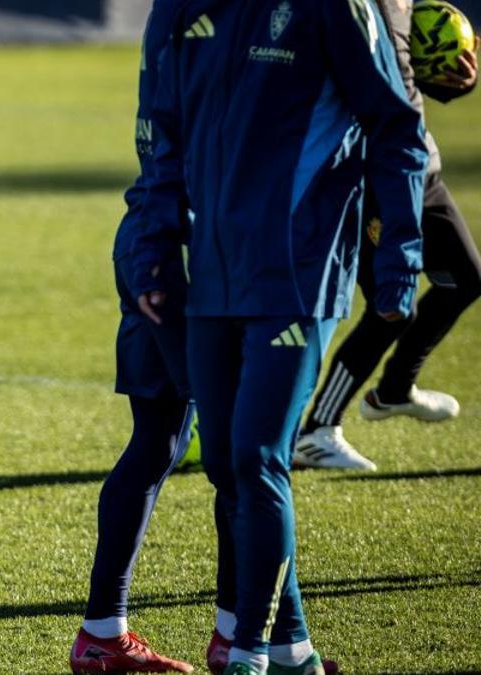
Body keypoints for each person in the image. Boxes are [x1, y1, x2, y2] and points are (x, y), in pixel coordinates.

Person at [132, 1, 427, 673]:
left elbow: (397, 126)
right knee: (223, 466)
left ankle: (250, 653)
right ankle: (294, 650)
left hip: (300, 269)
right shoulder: (184, 7)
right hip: (213, 275)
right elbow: (163, 132)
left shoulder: (335, 6)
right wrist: (153, 250)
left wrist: (399, 261)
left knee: (257, 457)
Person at [68, 2, 197, 673]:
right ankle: (265, 643)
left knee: (158, 443)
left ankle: (103, 631)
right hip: (186, 246)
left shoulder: (172, 11)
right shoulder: (217, 17)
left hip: (150, 233)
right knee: (246, 457)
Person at [295, 3, 479, 471]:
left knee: (465, 278)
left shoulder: (405, 4)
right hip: (376, 173)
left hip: (420, 166)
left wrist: (454, 81)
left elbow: (404, 75)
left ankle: (395, 389)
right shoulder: (353, 7)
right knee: (391, 307)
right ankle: (318, 431)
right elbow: (363, 82)